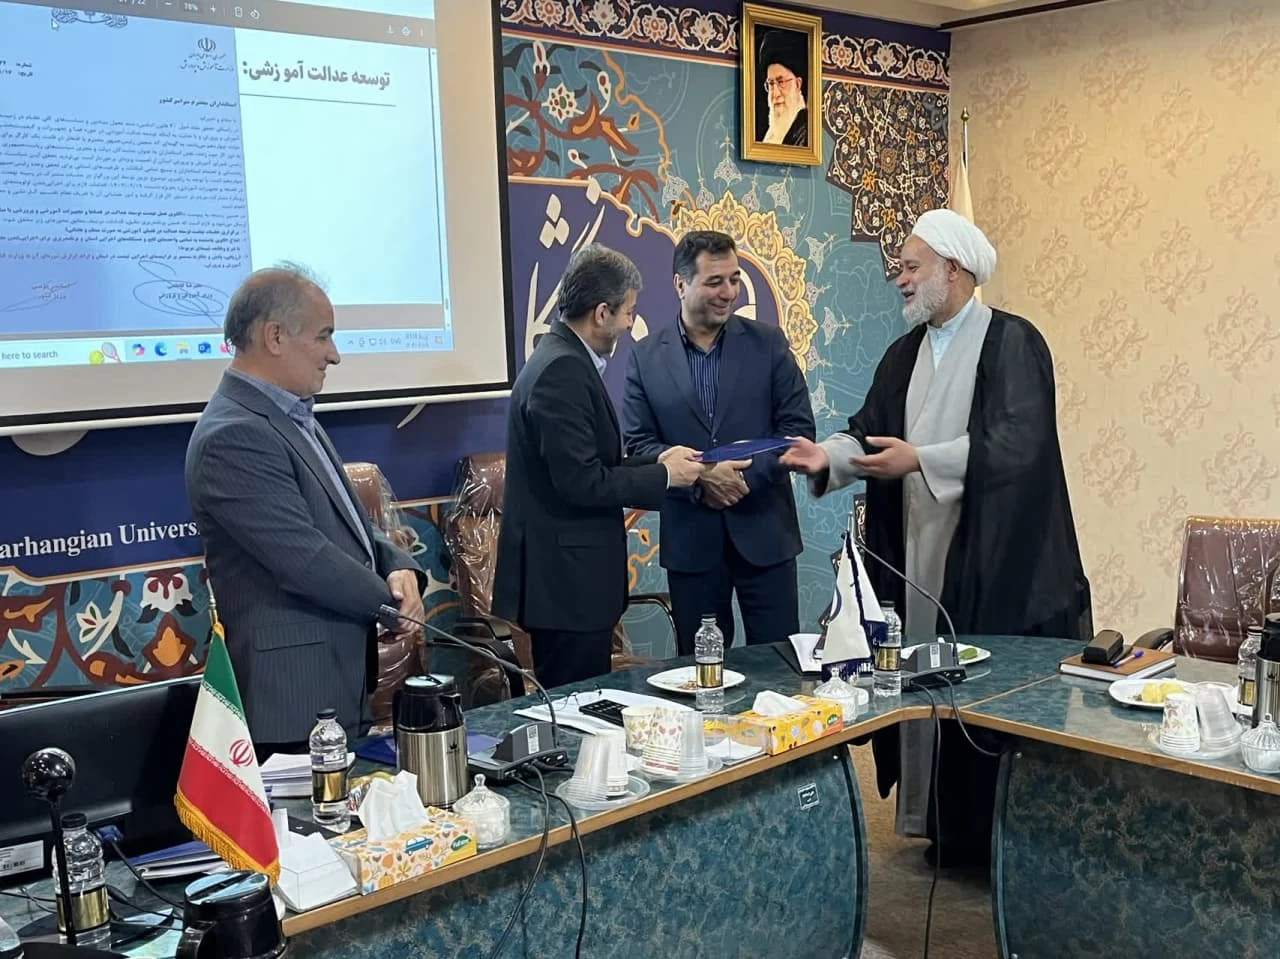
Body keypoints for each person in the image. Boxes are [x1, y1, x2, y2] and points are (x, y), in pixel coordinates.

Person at [781, 209, 1092, 866]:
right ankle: (942, 830)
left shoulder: (1013, 342)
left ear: (953, 269)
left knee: (984, 696)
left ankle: (993, 846)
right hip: (917, 554)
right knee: (923, 685)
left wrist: (921, 460)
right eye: (900, 267)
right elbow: (867, 432)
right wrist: (827, 456)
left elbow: (1020, 445)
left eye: (911, 266)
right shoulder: (904, 354)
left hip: (993, 561)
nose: (899, 278)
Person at [185, 264, 426, 758]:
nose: (334, 354)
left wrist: (399, 568)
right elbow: (304, 558)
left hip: (335, 681)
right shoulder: (234, 434)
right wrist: (394, 604)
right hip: (291, 699)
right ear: (275, 336)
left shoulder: (293, 414)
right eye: (323, 336)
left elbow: (352, 526)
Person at [493, 244, 706, 688]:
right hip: (566, 588)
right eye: (628, 312)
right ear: (602, 312)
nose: (630, 324)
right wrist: (666, 477)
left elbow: (593, 461)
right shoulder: (562, 371)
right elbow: (582, 482)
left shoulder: (562, 357)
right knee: (578, 712)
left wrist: (659, 459)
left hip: (570, 586)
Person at [623, 230, 815, 654]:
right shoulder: (646, 356)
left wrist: (740, 479)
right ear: (680, 284)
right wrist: (701, 478)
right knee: (702, 672)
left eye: (734, 279)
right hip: (692, 541)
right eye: (715, 282)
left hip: (766, 535)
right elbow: (638, 445)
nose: (728, 292)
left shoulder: (768, 344)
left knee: (780, 666)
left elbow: (798, 432)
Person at [758, 29, 809, 147]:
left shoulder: (806, 132)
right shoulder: (770, 134)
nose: (775, 94)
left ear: (798, 84)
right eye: (771, 84)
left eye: (781, 82)